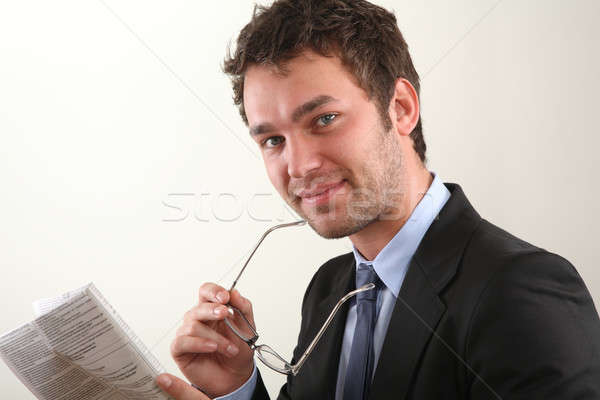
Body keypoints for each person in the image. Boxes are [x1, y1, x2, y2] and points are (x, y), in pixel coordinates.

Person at [156, 0, 600, 398]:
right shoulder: (329, 289)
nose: (300, 166)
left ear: (401, 108)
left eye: (324, 118)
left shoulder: (520, 290)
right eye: (272, 140)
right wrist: (237, 387)